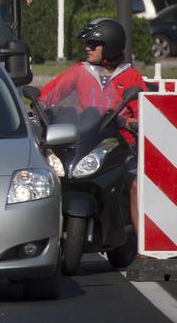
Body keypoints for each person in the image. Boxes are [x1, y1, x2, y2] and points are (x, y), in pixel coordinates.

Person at [39, 18, 147, 229]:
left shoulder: (132, 77)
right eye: (86, 44)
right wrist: (38, 108)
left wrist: (132, 122)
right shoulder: (80, 71)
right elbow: (47, 96)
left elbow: (142, 113)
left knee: (135, 184)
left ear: (110, 46)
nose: (87, 48)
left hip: (120, 144)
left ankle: (139, 241)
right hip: (86, 140)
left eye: (92, 44)